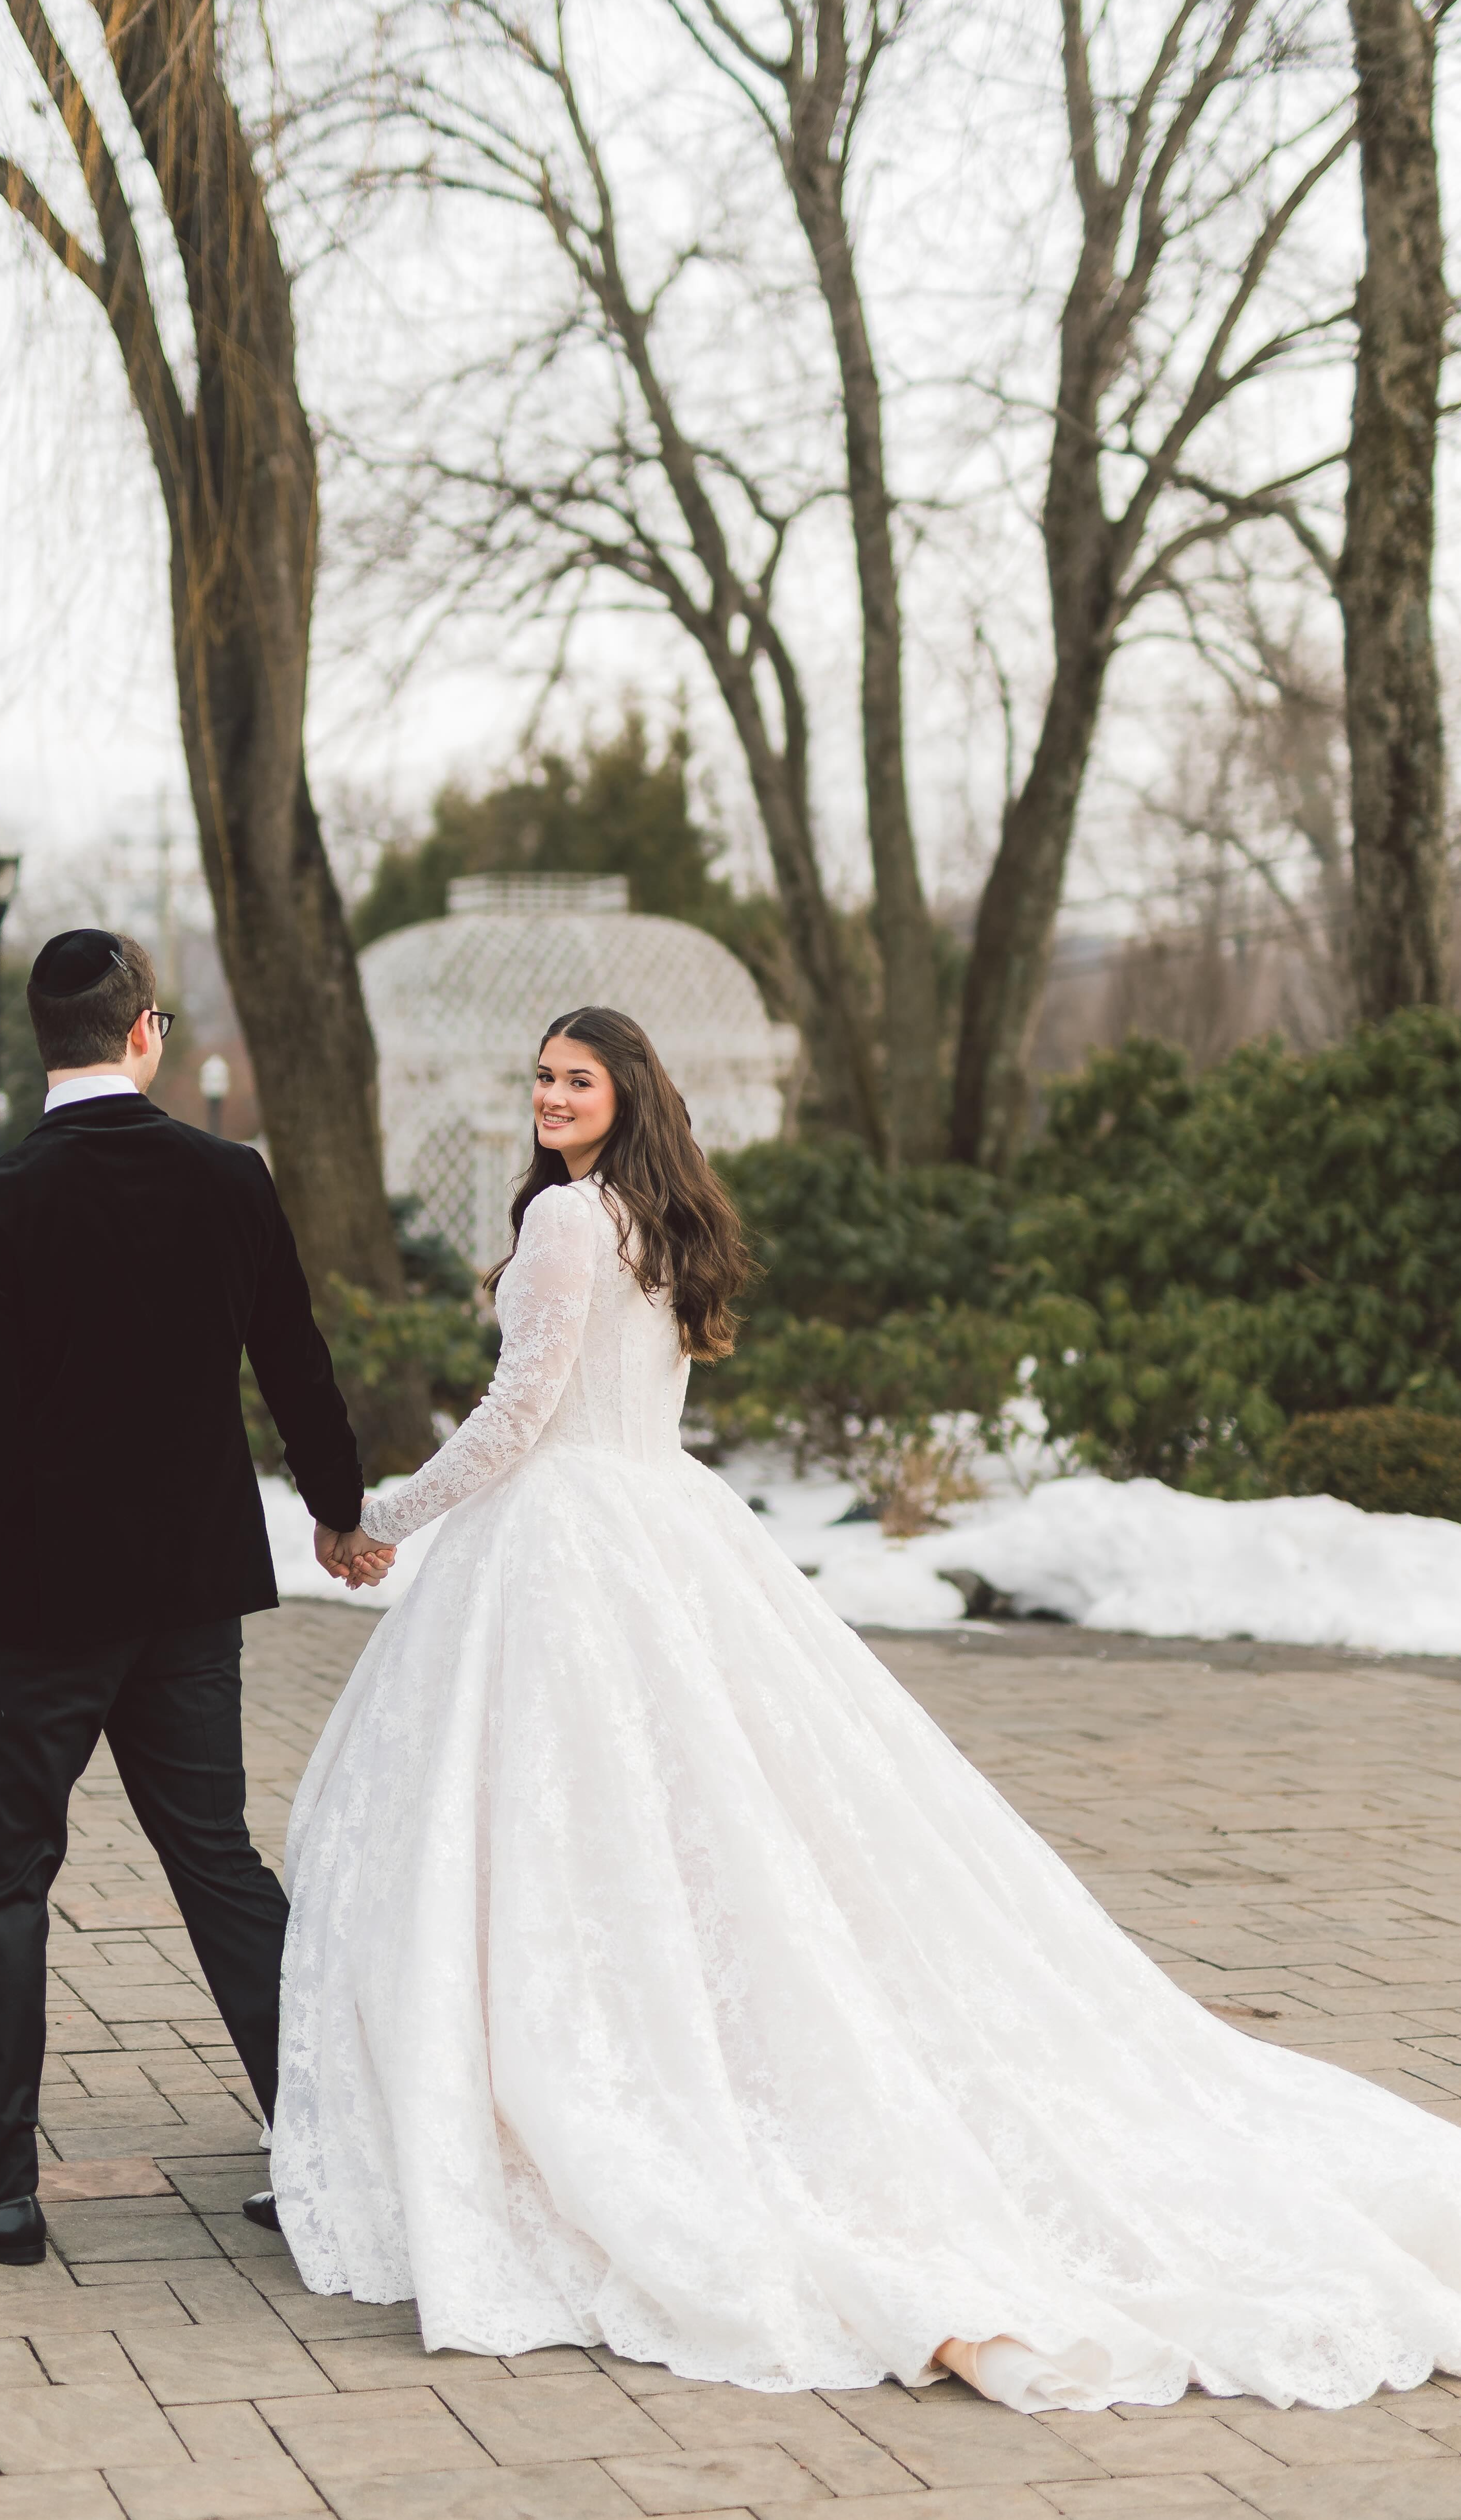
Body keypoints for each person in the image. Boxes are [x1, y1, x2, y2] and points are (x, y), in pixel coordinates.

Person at [272, 1003, 1461, 2411]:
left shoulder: (567, 1226)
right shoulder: (656, 1221)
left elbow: (521, 1411)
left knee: (560, 1825)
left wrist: (382, 1516)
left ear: (625, 1094)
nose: (549, 1097)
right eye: (538, 1078)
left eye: (576, 1080)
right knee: (692, 1816)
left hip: (567, 1547)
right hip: (660, 1527)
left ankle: (564, 2086)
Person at [0, 928, 388, 2269]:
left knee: (5, 1882)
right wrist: (339, 1509)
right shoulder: (229, 1181)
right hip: (185, 1591)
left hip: (40, 1604)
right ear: (145, 1030)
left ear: (48, 1045)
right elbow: (295, 1361)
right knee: (216, 1861)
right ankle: (327, 2151)